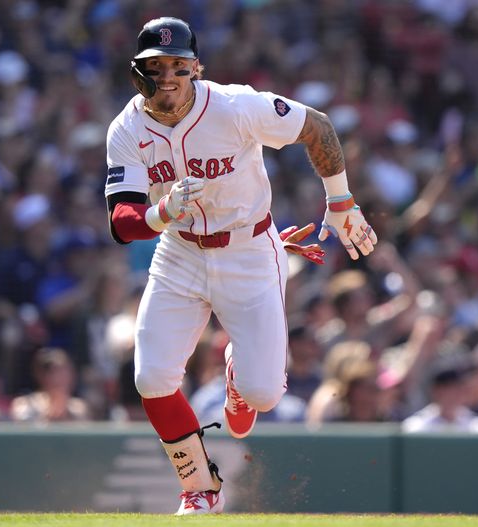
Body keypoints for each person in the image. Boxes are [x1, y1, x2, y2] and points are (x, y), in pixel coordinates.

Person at [103, 17, 375, 515]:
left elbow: (317, 126)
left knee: (263, 394)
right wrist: (162, 213)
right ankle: (200, 487)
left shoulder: (233, 106)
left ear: (196, 68)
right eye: (156, 66)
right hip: (179, 252)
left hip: (249, 250)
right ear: (137, 72)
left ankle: (236, 377)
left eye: (178, 66)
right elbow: (122, 221)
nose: (168, 77)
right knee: (152, 378)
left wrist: (341, 201)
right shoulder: (127, 128)